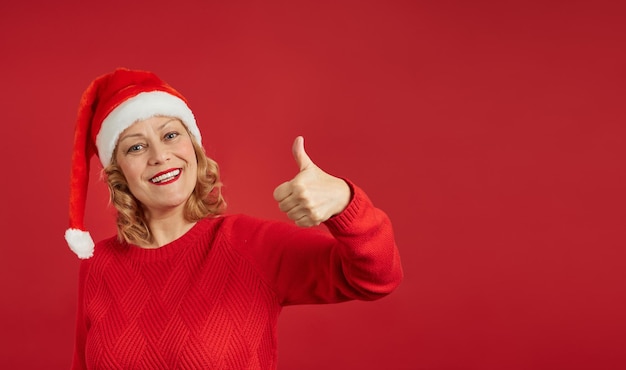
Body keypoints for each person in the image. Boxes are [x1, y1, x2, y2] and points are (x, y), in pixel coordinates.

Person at [65, 67, 403, 369]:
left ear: (194, 150)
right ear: (119, 174)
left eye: (170, 135)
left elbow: (376, 277)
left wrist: (346, 203)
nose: (160, 155)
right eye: (136, 147)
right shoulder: (98, 266)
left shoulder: (248, 245)